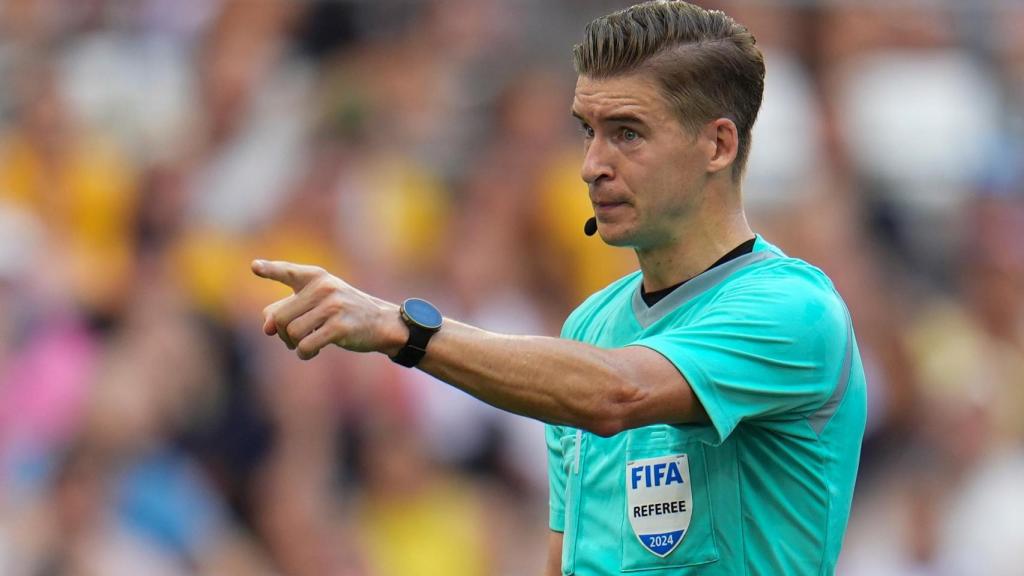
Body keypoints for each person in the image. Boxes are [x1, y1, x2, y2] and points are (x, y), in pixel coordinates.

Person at [251, 1, 867, 574]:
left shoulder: (795, 311)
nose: (591, 165)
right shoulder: (589, 329)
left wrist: (401, 329)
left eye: (627, 133)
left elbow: (618, 393)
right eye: (587, 131)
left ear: (717, 144)